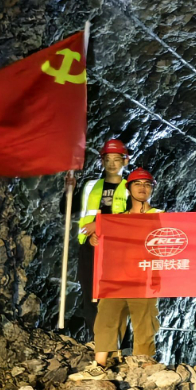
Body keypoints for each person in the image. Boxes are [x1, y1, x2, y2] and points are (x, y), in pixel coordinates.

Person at [72, 167, 161, 379]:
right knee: (106, 317)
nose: (142, 188)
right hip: (117, 277)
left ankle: (143, 364)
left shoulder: (160, 216)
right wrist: (95, 239)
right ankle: (100, 364)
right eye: (137, 184)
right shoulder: (116, 219)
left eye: (147, 184)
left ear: (152, 189)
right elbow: (103, 241)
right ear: (128, 189)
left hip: (143, 277)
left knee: (144, 321)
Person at [74, 138, 130, 338]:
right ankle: (97, 342)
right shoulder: (90, 186)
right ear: (102, 161)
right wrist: (69, 190)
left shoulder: (132, 188)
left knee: (116, 298)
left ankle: (121, 345)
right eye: (108, 159)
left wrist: (100, 226)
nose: (112, 164)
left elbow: (134, 220)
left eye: (117, 159)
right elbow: (70, 209)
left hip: (117, 251)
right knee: (91, 296)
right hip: (90, 247)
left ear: (125, 161)